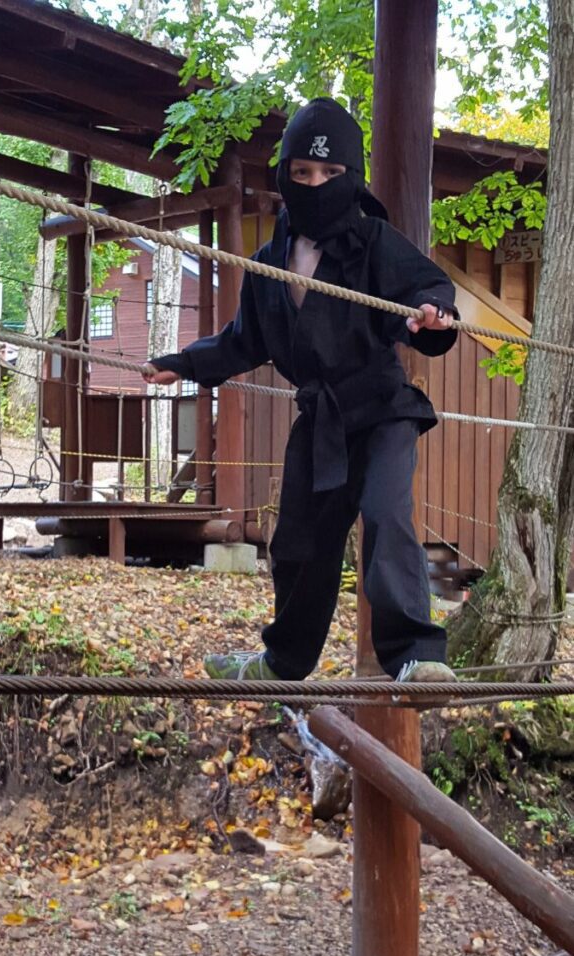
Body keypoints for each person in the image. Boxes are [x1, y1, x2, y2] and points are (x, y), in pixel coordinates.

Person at [142, 97, 458, 684]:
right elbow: (241, 341)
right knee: (297, 542)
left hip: (383, 410)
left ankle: (417, 655)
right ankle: (283, 661)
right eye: (303, 173)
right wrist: (181, 364)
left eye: (331, 174)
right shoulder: (269, 264)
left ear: (352, 177)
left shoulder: (374, 243)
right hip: (321, 420)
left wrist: (432, 314)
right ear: (285, 175)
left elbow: (427, 289)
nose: (316, 184)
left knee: (385, 515)